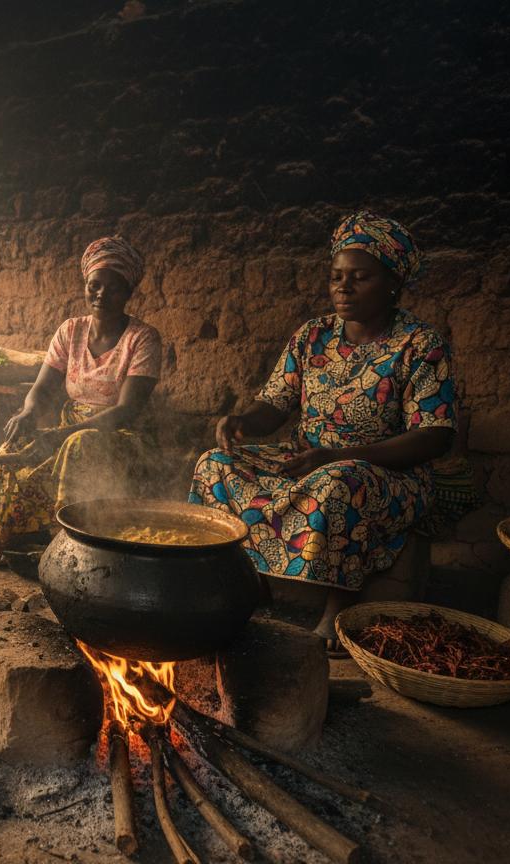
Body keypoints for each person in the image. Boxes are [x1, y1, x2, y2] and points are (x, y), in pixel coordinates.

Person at [189, 211, 456, 649]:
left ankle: (336, 611)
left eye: (360, 277)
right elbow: (273, 405)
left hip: (387, 473)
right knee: (215, 465)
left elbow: (435, 436)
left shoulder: (420, 345)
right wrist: (242, 422)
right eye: (336, 276)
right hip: (310, 458)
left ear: (393, 283)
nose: (343, 287)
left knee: (338, 483)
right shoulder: (314, 336)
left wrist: (338, 458)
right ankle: (247, 584)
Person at [0, 236, 162, 555]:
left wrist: (60, 436)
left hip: (120, 434)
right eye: (95, 284)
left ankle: (66, 546)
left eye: (113, 287)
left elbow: (127, 410)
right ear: (86, 284)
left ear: (128, 293)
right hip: (68, 429)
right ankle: (11, 537)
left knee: (77, 446)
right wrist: (28, 412)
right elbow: (42, 387)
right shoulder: (71, 331)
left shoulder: (142, 338)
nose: (102, 293)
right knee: (13, 445)